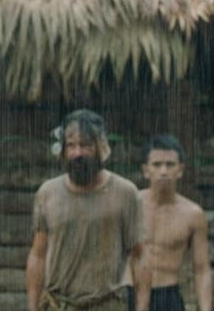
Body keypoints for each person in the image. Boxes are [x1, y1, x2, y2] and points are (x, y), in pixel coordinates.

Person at [26, 109, 150, 310]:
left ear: (100, 148)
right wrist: (32, 308)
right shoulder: (47, 193)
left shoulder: (125, 193)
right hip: (58, 305)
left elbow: (140, 255)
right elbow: (38, 254)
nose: (78, 153)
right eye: (71, 145)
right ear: (63, 150)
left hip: (108, 305)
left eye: (85, 145)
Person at [137, 134, 212, 311]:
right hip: (132, 293)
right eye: (157, 165)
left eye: (170, 165)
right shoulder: (131, 206)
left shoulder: (192, 214)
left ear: (180, 170)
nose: (163, 171)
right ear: (146, 170)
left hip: (168, 296)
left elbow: (202, 269)